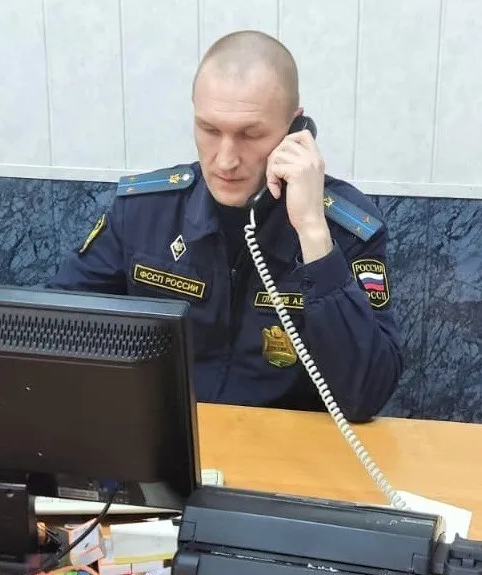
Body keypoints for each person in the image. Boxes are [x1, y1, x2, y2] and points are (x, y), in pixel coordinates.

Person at [48, 30, 402, 422]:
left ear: (295, 131)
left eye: (251, 134)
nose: (226, 160)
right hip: (168, 438)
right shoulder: (144, 212)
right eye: (210, 130)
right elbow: (54, 330)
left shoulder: (344, 228)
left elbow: (366, 396)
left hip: (287, 450)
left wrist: (313, 234)